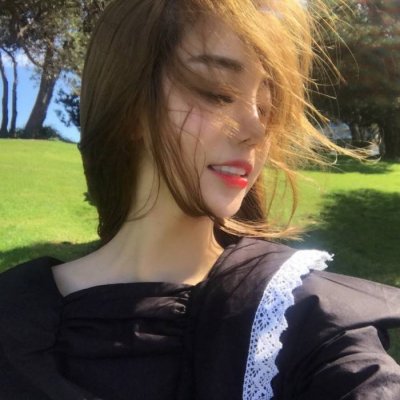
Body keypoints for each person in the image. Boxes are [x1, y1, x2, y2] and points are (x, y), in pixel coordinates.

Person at [1, 0, 400, 399]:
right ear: (130, 105)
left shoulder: (304, 321)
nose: (256, 129)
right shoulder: (12, 311)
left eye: (267, 106)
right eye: (218, 92)